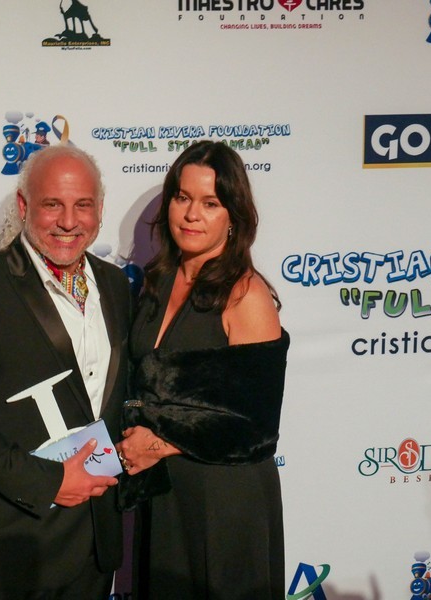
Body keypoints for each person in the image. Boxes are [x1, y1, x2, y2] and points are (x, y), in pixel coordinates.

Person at [0, 144, 131, 599]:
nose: (68, 221)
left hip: (95, 545)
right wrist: (50, 482)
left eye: (83, 205)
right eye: (52, 204)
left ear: (99, 209)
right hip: (11, 546)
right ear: (23, 206)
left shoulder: (116, 286)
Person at [116, 140, 289, 599]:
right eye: (183, 197)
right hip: (165, 494)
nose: (192, 214)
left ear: (234, 216)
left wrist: (158, 444)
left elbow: (256, 424)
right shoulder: (157, 281)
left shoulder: (245, 294)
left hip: (224, 498)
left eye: (210, 203)